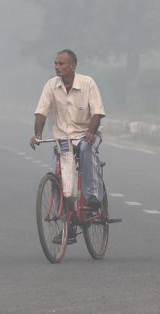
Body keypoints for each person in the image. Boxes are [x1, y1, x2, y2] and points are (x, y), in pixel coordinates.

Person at [30, 49, 106, 243]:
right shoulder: (51, 86)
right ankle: (68, 222)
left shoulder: (87, 83)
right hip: (63, 138)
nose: (57, 67)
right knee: (59, 174)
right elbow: (41, 112)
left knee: (85, 149)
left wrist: (90, 132)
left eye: (62, 64)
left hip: (87, 134)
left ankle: (92, 197)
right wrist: (37, 134)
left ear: (73, 66)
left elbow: (97, 112)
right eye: (56, 63)